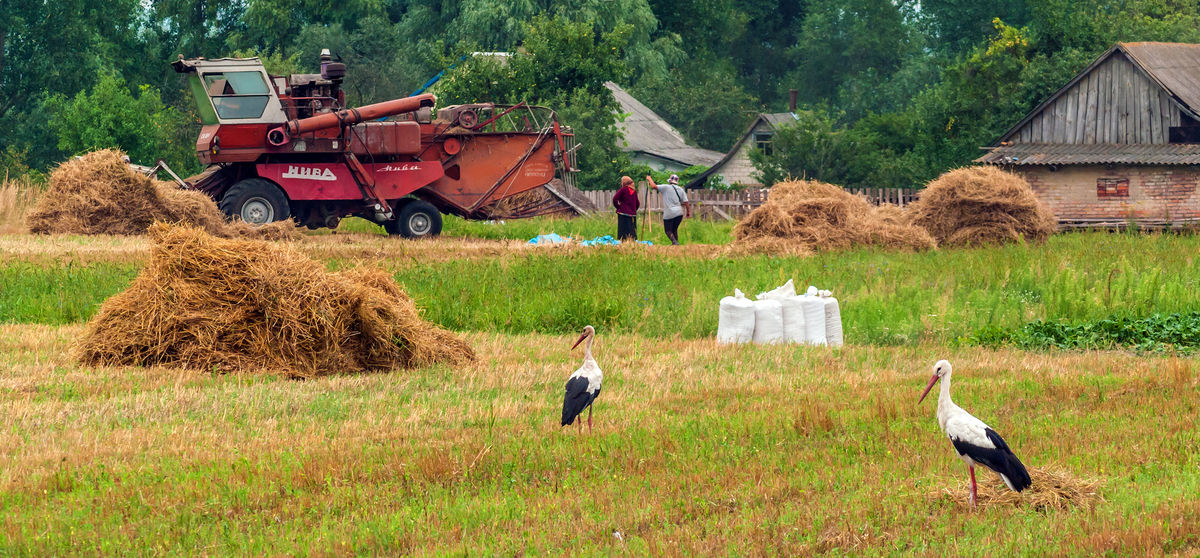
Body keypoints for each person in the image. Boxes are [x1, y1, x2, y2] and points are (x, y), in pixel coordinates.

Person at [647, 174, 691, 245]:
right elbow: (686, 202)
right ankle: (675, 245)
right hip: (679, 213)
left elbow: (653, 186)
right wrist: (688, 212)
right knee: (674, 230)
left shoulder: (666, 187)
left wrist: (649, 179)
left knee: (668, 230)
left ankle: (674, 242)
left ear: (670, 181)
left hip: (670, 212)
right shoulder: (681, 190)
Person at [612, 176, 640, 240]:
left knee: (623, 230)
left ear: (624, 183)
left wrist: (618, 207)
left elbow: (615, 199)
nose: (621, 183)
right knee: (631, 229)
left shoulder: (623, 190)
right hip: (632, 214)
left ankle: (623, 241)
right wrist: (633, 210)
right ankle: (631, 241)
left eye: (622, 182)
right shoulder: (634, 191)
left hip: (623, 213)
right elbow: (637, 203)